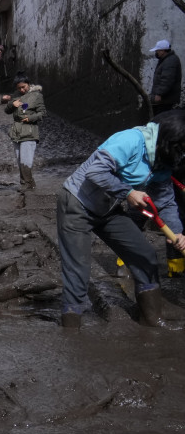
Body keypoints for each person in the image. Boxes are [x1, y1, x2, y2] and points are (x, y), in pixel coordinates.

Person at [57, 110, 185, 328]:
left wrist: (178, 233)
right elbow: (96, 172)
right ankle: (71, 329)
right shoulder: (130, 140)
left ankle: (151, 317)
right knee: (78, 270)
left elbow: (165, 201)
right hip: (77, 203)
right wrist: (128, 192)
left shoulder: (162, 160)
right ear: (171, 140)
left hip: (108, 208)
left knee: (145, 254)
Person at [2, 74, 46, 190]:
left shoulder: (37, 95)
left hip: (30, 131)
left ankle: (27, 184)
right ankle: (27, 184)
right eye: (19, 88)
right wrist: (12, 103)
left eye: (24, 87)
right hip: (16, 132)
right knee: (19, 159)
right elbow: (7, 110)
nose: (22, 90)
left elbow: (42, 113)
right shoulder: (16, 96)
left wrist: (30, 118)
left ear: (28, 84)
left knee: (26, 160)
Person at [149, 39, 181, 114]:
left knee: (161, 118)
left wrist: (159, 94)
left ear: (163, 51)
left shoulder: (170, 61)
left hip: (166, 99)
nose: (156, 52)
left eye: (157, 50)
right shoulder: (166, 60)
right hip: (165, 99)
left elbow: (167, 79)